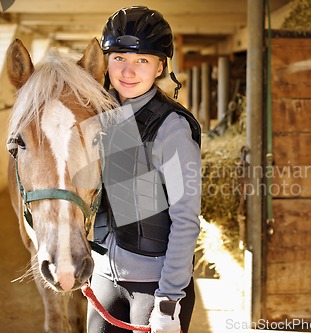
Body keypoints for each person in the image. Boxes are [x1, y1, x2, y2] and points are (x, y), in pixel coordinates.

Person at [87, 6, 202, 333]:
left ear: (160, 66)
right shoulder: (101, 117)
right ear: (105, 60)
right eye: (119, 58)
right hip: (104, 281)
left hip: (154, 288)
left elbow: (185, 219)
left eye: (142, 60)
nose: (127, 71)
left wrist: (168, 302)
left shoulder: (172, 130)